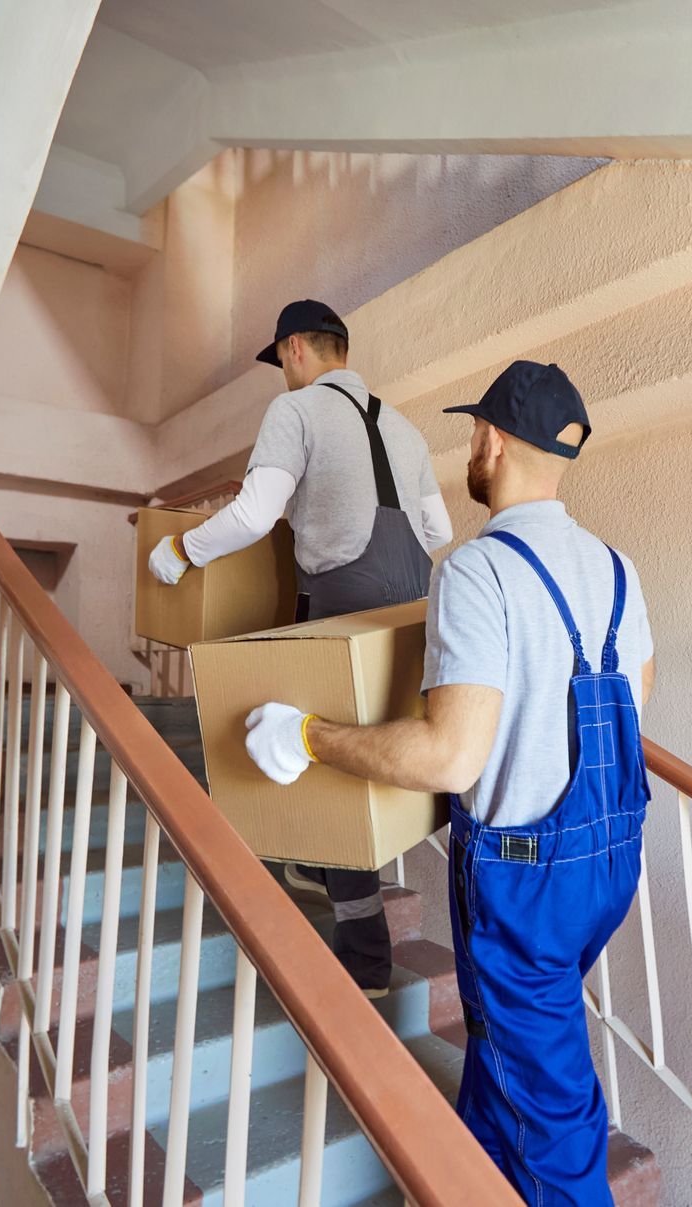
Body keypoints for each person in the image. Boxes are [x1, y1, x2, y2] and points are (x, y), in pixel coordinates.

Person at [242, 361, 653, 1205]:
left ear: (493, 441)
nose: (471, 446)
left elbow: (450, 759)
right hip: (609, 861)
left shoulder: (478, 571)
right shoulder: (617, 569)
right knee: (505, 1063)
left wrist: (309, 736)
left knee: (555, 1123)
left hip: (524, 880)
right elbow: (629, 708)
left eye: (474, 433)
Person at [149, 298, 451, 998]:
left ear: (292, 350)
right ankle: (317, 866)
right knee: (377, 749)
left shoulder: (296, 410)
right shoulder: (402, 426)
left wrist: (180, 551)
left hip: (344, 596)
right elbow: (438, 532)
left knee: (328, 756)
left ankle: (367, 958)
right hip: (413, 605)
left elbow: (256, 513)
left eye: (282, 360)